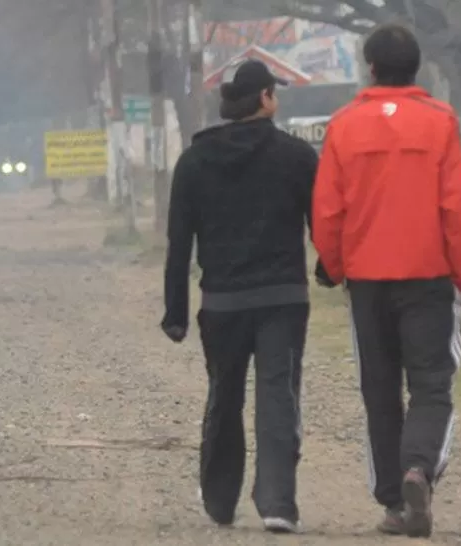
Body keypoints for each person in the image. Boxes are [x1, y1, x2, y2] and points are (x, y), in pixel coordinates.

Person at [312, 23, 461, 538]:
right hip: (428, 275)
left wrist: (335, 266)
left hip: (367, 281)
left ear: (371, 67)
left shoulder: (343, 125)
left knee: (379, 389)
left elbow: (328, 211)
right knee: (432, 385)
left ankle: (392, 502)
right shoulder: (440, 121)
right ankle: (418, 470)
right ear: (418, 67)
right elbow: (455, 206)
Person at [160, 59, 319, 534]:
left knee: (224, 395)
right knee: (277, 396)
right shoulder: (296, 156)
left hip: (222, 302)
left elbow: (179, 241)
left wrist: (176, 313)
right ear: (266, 99)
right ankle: (277, 504)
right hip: (283, 299)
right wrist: (331, 267)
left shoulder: (194, 161)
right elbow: (322, 221)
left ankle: (220, 499)